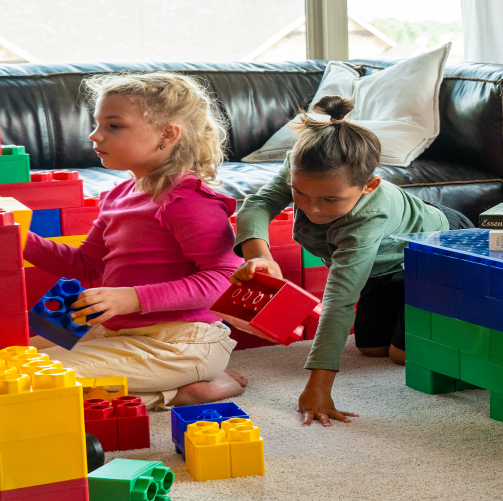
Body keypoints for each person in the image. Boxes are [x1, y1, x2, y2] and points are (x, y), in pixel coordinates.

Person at [231, 96, 472, 428]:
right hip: (383, 266)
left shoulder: (369, 218)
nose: (312, 210)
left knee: (401, 356)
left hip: (436, 252)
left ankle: (434, 310)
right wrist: (260, 256)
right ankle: (402, 294)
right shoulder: (299, 167)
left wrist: (318, 388)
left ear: (369, 186)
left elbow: (339, 301)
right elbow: (258, 204)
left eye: (330, 199)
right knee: (371, 349)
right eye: (301, 194)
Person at [24, 72, 248, 410]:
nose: (94, 135)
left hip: (180, 343)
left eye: (114, 126)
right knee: (17, 357)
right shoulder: (118, 195)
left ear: (167, 134)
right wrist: (18, 238)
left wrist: (131, 298)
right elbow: (84, 265)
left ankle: (186, 391)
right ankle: (175, 384)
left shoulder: (188, 200)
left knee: (36, 379)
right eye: (98, 124)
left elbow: (224, 278)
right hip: (120, 333)